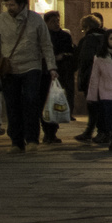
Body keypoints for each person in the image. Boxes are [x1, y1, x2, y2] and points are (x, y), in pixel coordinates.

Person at [0, 0, 58, 153]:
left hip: (32, 67)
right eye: (7, 5)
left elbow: (46, 45)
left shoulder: (35, 20)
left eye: (12, 4)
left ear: (22, 4)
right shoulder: (0, 21)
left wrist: (51, 67)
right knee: (12, 104)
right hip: (9, 68)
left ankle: (32, 140)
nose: (9, 8)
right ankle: (16, 142)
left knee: (31, 101)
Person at [41, 11, 75, 144]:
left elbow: (71, 52)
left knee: (56, 100)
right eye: (53, 21)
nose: (56, 23)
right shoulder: (44, 36)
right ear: (47, 23)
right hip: (45, 72)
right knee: (46, 101)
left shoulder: (65, 35)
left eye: (57, 20)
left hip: (61, 72)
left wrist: (63, 56)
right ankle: (47, 131)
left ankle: (52, 131)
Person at [73, 15, 106, 144]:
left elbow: (84, 59)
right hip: (106, 78)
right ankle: (97, 131)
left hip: (91, 78)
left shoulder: (88, 40)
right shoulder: (106, 37)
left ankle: (99, 132)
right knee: (102, 105)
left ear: (87, 27)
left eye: (83, 29)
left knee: (93, 106)